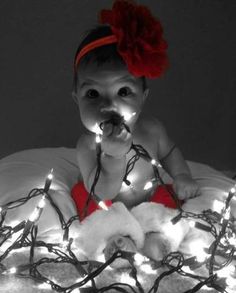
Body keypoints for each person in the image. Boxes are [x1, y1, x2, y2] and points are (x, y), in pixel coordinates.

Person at [71, 0, 200, 263]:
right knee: (83, 197)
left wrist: (182, 175)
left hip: (147, 196)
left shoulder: (152, 130)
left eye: (124, 91)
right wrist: (113, 157)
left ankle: (156, 236)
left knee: (168, 195)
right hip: (107, 201)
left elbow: (171, 151)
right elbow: (103, 192)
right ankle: (117, 240)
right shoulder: (87, 146)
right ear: (77, 99)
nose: (108, 105)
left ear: (143, 97)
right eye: (93, 93)